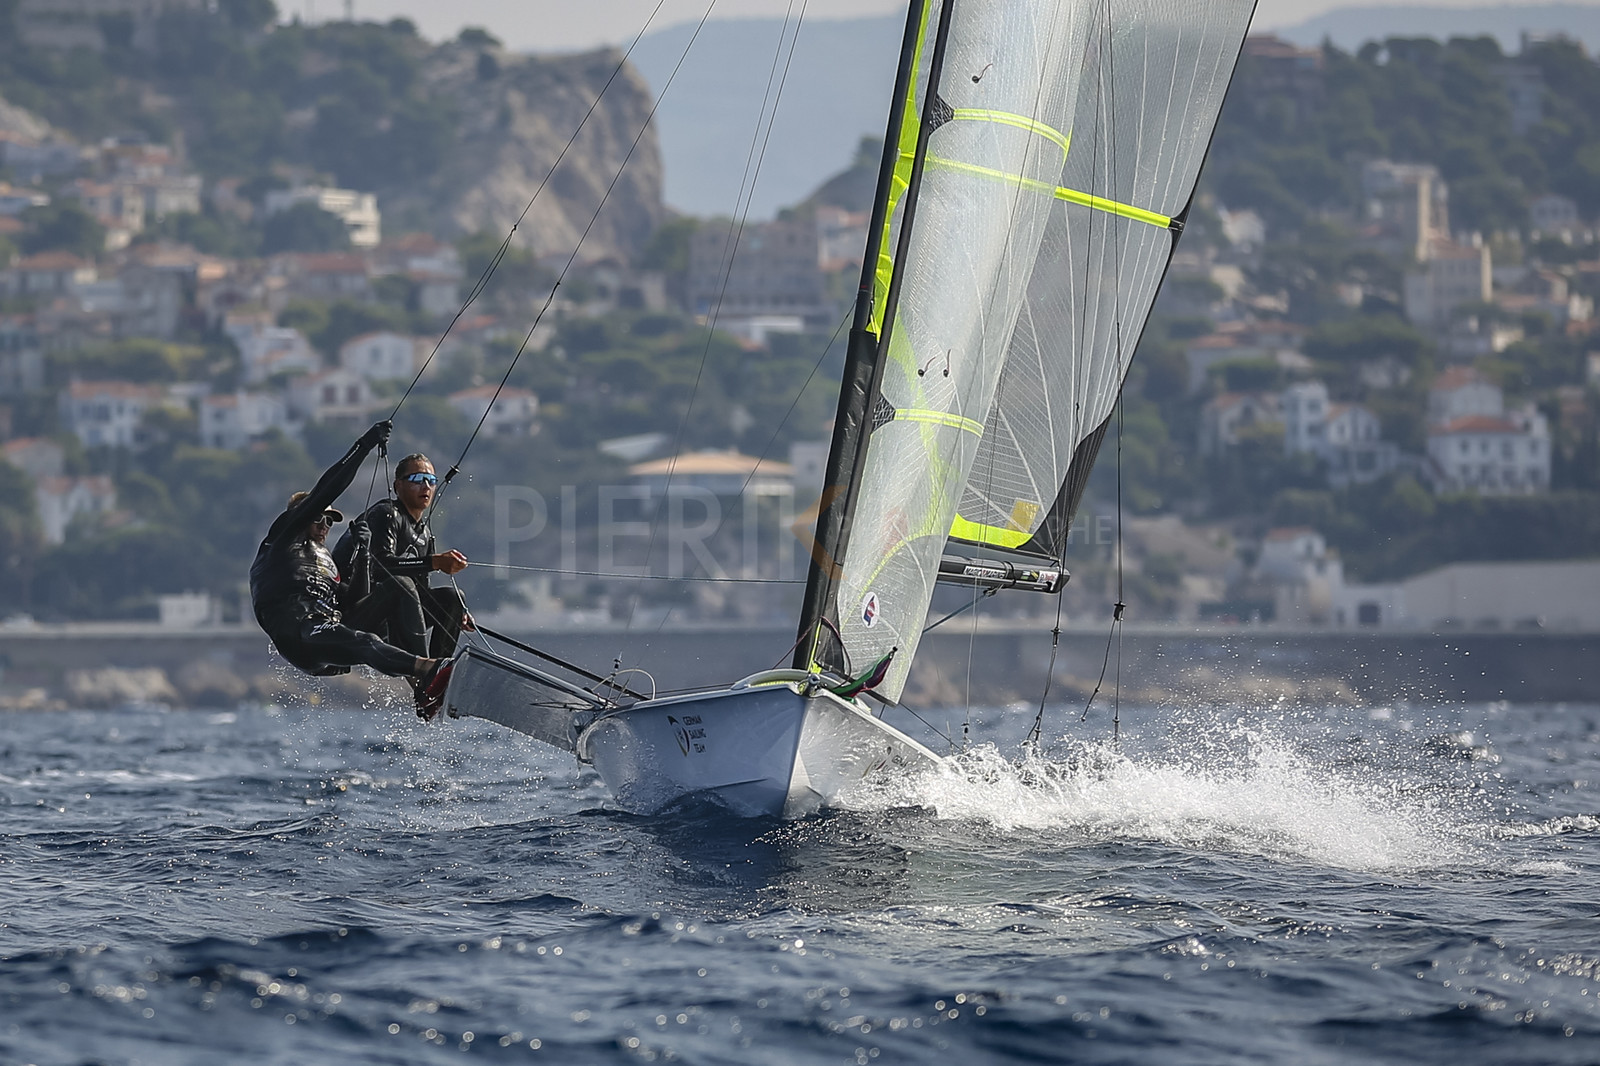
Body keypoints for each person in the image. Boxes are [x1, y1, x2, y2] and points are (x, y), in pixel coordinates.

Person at [249, 420, 452, 716]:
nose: (325, 525)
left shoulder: (325, 560)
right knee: (365, 641)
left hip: (330, 633)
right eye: (319, 518)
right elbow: (327, 489)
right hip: (300, 635)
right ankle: (428, 671)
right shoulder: (283, 539)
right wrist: (365, 444)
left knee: (400, 587)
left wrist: (363, 555)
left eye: (330, 521)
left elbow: (354, 600)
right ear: (298, 517)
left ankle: (431, 689)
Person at [335, 452, 474, 664]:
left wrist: (453, 614)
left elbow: (421, 593)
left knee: (453, 598)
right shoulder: (385, 514)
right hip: (357, 612)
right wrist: (434, 562)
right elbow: (379, 566)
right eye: (417, 479)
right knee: (402, 584)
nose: (426, 486)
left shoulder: (425, 533)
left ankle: (438, 671)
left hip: (392, 620)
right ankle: (424, 670)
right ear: (398, 486)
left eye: (431, 480)